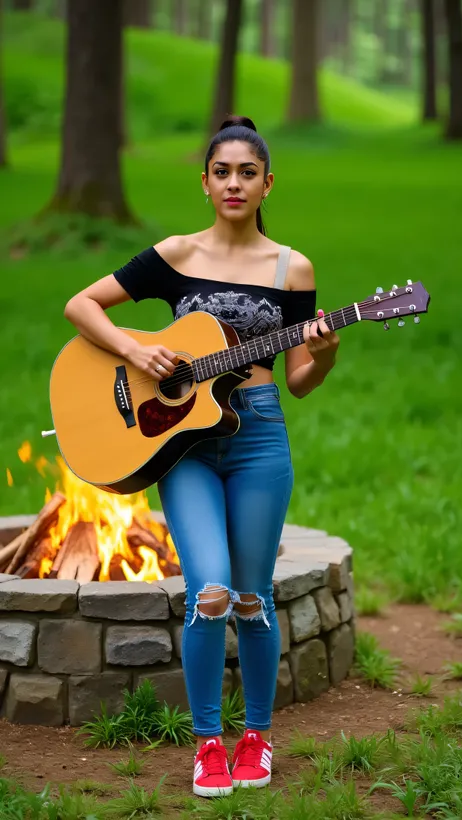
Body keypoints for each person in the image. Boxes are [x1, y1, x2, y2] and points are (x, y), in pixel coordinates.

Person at [64, 115, 339, 798]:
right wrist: (134, 349)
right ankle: (208, 744)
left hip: (259, 438)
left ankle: (257, 739)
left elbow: (299, 379)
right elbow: (82, 305)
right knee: (209, 591)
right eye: (223, 172)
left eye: (249, 172)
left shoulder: (291, 267)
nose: (236, 183)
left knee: (251, 599)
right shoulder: (176, 255)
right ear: (206, 182)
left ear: (268, 183)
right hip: (179, 444)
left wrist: (326, 356)